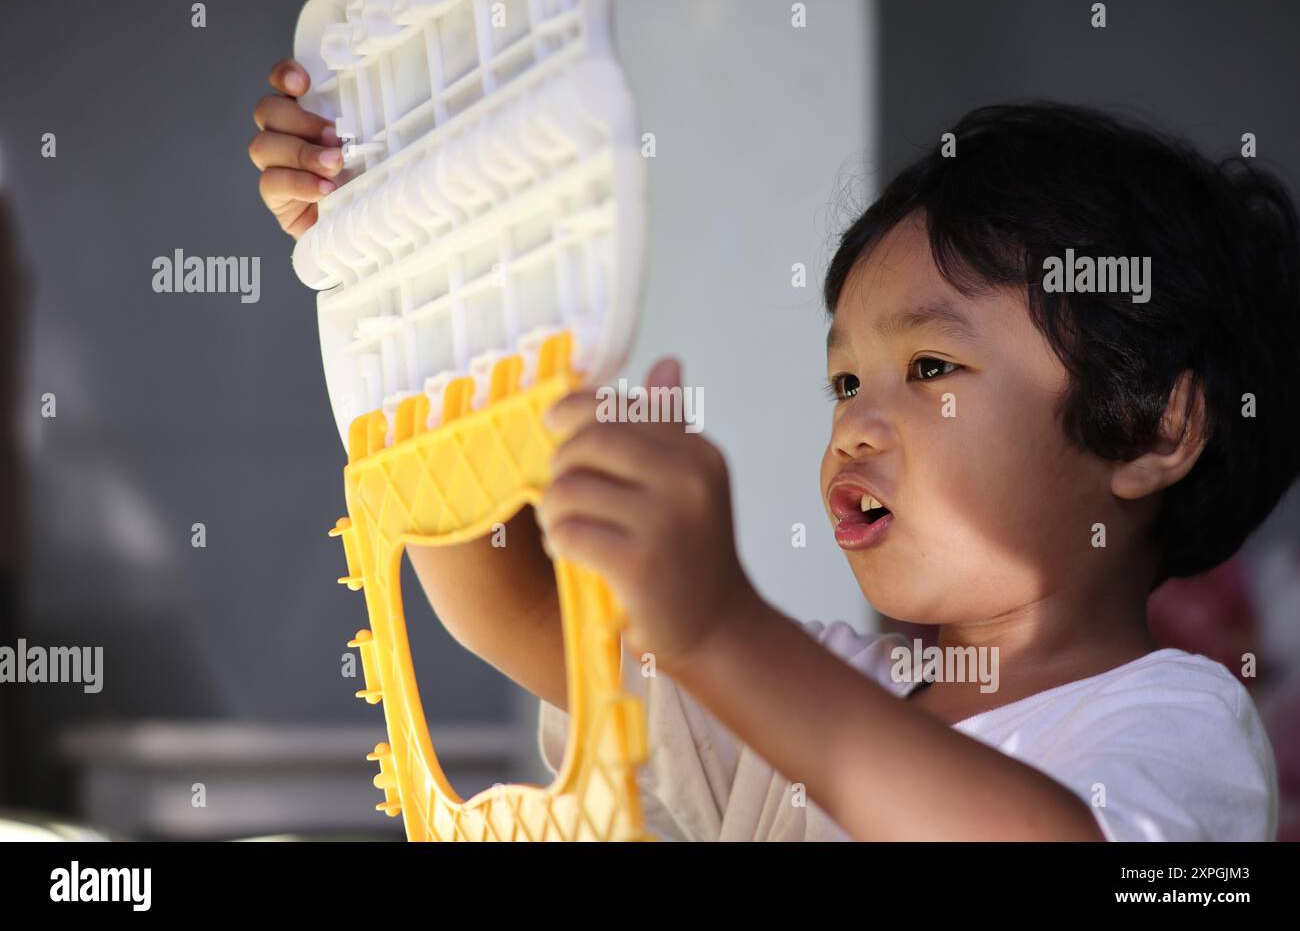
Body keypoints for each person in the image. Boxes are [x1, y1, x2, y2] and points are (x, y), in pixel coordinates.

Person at [251, 62, 1298, 840]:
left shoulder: (1183, 722)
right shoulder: (800, 688)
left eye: (929, 366)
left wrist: (718, 626)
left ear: (1155, 425)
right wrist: (400, 257)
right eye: (845, 380)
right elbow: (507, 601)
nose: (854, 422)